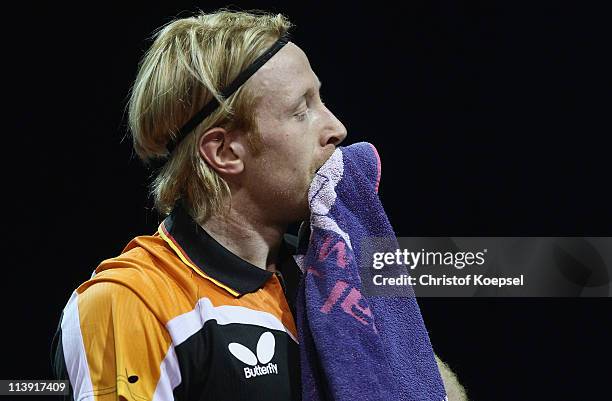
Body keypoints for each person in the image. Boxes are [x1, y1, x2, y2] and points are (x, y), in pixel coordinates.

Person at [52, 8, 467, 401]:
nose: (337, 129)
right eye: (301, 110)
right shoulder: (129, 304)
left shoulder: (330, 276)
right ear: (226, 152)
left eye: (320, 99)